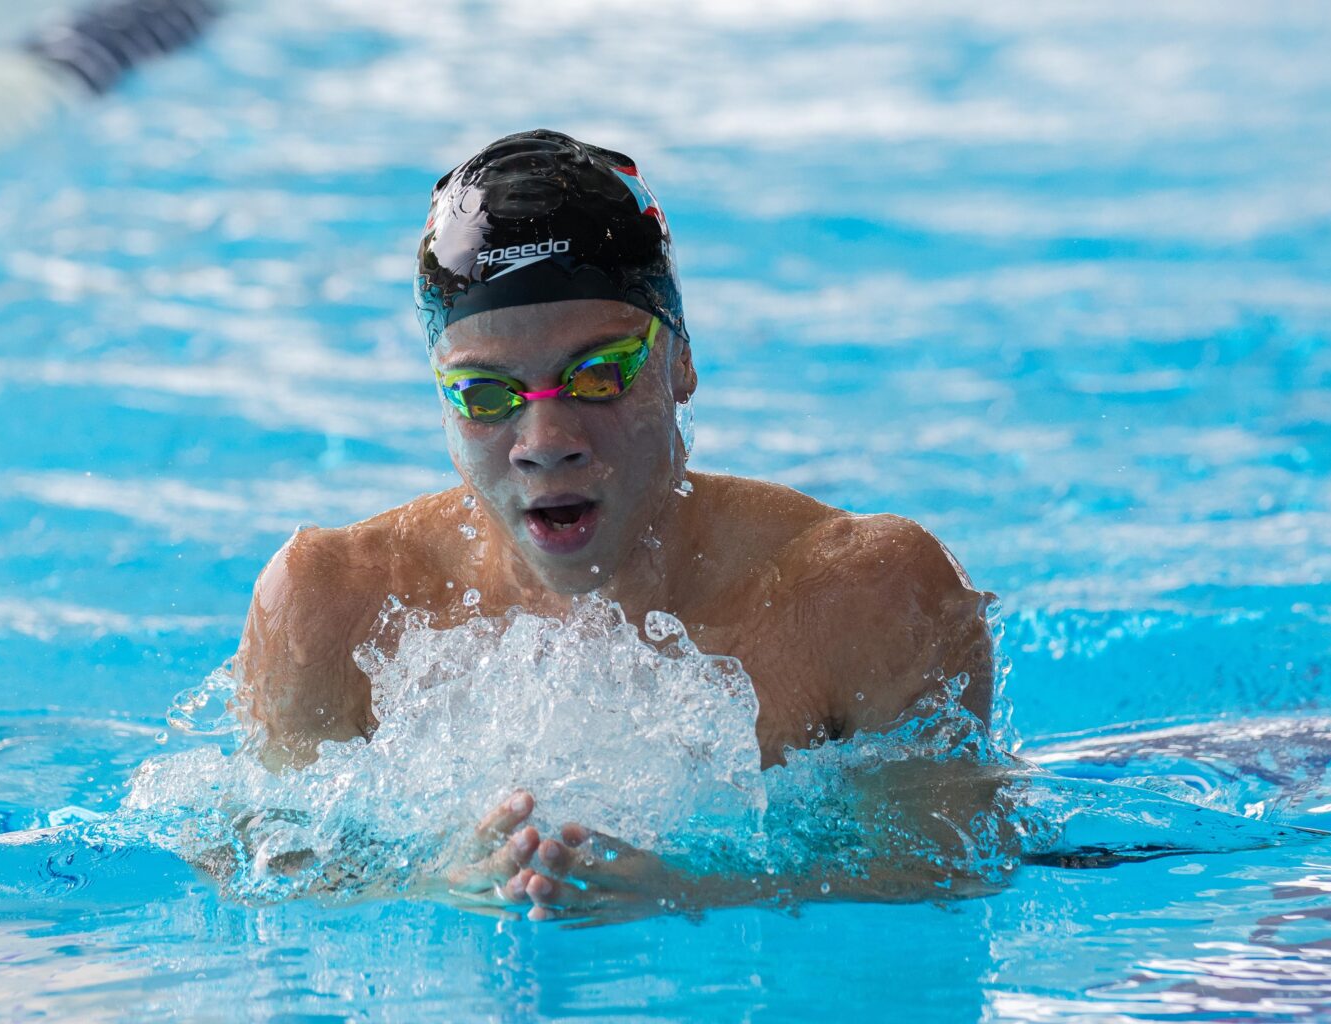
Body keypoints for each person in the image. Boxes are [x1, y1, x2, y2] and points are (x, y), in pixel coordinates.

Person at [233, 129, 996, 920]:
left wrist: (703, 891)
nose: (546, 444)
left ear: (682, 361)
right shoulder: (326, 603)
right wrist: (427, 884)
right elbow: (251, 863)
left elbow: (950, 862)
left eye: (598, 374)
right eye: (487, 395)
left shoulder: (863, 592)